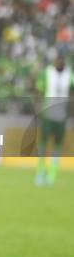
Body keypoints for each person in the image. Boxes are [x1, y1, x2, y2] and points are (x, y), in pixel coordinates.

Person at [35, 53, 72, 186]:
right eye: (58, 60)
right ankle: (41, 172)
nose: (60, 63)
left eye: (62, 61)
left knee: (58, 145)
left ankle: (52, 173)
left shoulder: (70, 74)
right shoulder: (47, 73)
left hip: (61, 115)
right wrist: (38, 107)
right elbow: (39, 89)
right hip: (48, 113)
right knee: (43, 143)